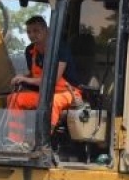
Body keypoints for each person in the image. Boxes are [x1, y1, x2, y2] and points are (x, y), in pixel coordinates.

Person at [5, 16, 81, 145]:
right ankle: (15, 141)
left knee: (51, 102)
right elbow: (34, 74)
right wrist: (22, 78)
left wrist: (26, 79)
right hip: (43, 93)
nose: (32, 35)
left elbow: (52, 80)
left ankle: (41, 143)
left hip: (67, 92)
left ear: (47, 30)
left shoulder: (60, 49)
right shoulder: (30, 51)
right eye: (29, 32)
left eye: (36, 31)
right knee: (14, 99)